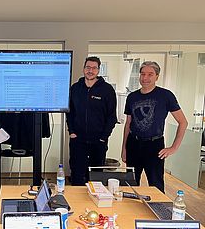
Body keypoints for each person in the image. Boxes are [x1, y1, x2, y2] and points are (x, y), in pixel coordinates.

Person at [121, 61, 188, 193]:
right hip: (133, 144)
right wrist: (124, 148)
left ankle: (159, 212)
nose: (145, 78)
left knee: (156, 185)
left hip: (154, 145)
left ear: (157, 76)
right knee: (130, 184)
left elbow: (183, 122)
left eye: (150, 74)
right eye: (143, 74)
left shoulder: (166, 96)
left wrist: (174, 147)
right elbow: (128, 124)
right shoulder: (132, 97)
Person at [66, 56, 117, 185]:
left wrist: (104, 137)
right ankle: (77, 204)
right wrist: (71, 131)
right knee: (77, 174)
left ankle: (94, 203)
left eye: (94, 68)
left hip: (98, 141)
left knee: (96, 176)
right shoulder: (75, 88)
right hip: (78, 140)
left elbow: (112, 117)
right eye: (88, 67)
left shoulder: (107, 90)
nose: (91, 70)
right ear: (83, 69)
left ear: (98, 71)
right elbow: (70, 112)